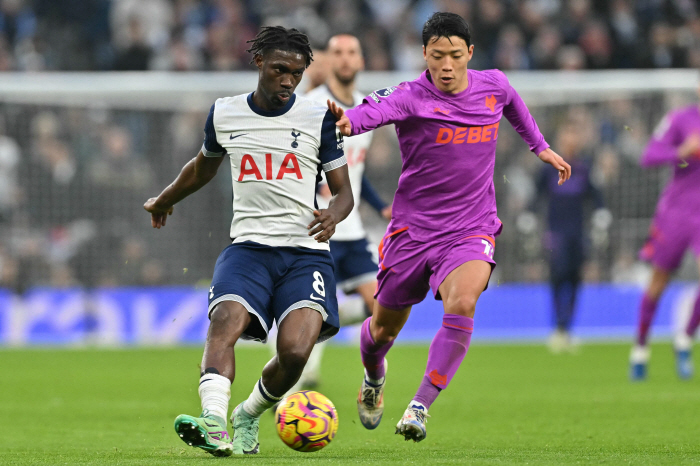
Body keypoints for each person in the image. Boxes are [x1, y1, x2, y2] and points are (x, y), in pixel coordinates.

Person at [328, 12, 571, 442]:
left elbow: (513, 103)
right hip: (412, 232)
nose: (446, 64)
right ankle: (373, 376)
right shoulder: (410, 95)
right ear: (424, 54)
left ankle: (419, 406)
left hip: (471, 227)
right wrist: (348, 122)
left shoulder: (493, 84)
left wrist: (541, 147)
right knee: (382, 330)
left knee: (462, 303)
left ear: (469, 54)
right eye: (437, 55)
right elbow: (372, 111)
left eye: (455, 56)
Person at [143, 26, 353, 456]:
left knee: (295, 352)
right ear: (259, 63)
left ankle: (248, 414)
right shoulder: (225, 113)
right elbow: (203, 168)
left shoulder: (319, 118)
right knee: (224, 323)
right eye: (280, 70)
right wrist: (165, 200)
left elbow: (343, 191)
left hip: (305, 254)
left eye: (296, 73)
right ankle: (215, 423)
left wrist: (333, 214)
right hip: (249, 249)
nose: (288, 81)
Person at [290, 33, 391, 389]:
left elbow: (353, 174)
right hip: (318, 226)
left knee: (381, 309)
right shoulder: (308, 106)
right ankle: (303, 376)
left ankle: (371, 381)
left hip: (353, 231)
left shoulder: (366, 110)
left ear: (362, 61)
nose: (346, 59)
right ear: (328, 62)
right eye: (338, 53)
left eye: (352, 52)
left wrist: (382, 207)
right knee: (317, 303)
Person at [630, 97, 700, 381]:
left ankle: (685, 340)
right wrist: (682, 151)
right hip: (676, 213)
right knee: (659, 280)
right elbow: (649, 156)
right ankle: (640, 348)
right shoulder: (680, 119)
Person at [533, 123, 608, 353]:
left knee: (575, 278)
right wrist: (528, 215)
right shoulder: (548, 169)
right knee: (558, 277)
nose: (570, 142)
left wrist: (601, 213)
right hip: (555, 233)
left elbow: (596, 196)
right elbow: (536, 195)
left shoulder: (584, 169)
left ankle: (567, 329)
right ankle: (558, 328)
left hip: (578, 232)